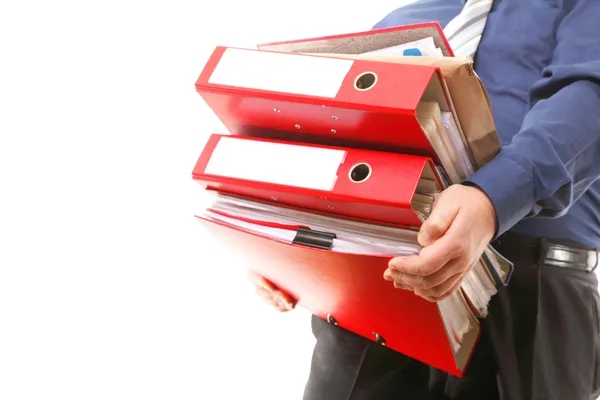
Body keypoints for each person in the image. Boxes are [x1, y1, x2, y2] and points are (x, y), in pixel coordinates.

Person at [255, 1, 600, 399]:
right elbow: (337, 127)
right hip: (376, 278)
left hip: (530, 282)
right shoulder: (403, 20)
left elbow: (588, 98)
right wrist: (279, 236)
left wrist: (493, 198)